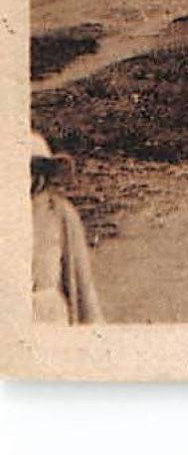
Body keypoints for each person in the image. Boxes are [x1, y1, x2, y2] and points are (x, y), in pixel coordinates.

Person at [30, 131, 103, 325]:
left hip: (48, 315)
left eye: (36, 169)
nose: (30, 177)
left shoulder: (60, 212)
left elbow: (81, 281)